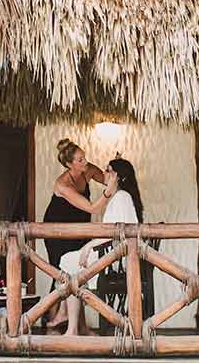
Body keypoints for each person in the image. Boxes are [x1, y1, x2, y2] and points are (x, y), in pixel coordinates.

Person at [59, 156, 144, 336]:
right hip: (113, 255)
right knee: (70, 263)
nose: (103, 173)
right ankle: (76, 325)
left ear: (118, 177)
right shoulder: (118, 197)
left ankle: (72, 326)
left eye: (108, 171)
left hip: (116, 259)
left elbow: (118, 234)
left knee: (68, 262)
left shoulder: (122, 197)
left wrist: (88, 247)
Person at [42, 139, 117, 329]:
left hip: (79, 227)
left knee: (78, 273)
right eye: (80, 160)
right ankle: (51, 323)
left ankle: (77, 324)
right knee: (60, 274)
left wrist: (114, 169)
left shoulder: (88, 170)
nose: (86, 162)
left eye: (84, 158)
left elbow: (107, 179)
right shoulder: (63, 184)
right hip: (57, 230)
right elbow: (92, 208)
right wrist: (107, 193)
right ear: (69, 164)